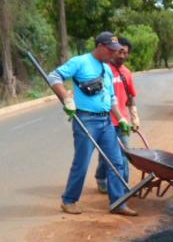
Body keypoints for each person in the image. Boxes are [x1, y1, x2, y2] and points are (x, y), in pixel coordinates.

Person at [47, 31, 137, 217]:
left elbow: (111, 98)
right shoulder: (80, 62)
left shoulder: (106, 68)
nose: (114, 54)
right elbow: (54, 77)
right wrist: (66, 98)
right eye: (111, 50)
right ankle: (69, 201)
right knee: (82, 162)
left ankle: (118, 203)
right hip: (86, 120)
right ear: (100, 47)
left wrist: (120, 117)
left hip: (106, 121)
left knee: (116, 162)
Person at [95, 36, 140, 194]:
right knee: (106, 155)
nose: (122, 55)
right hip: (105, 121)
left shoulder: (127, 73)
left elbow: (131, 97)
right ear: (113, 51)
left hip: (123, 122)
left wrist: (134, 117)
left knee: (125, 153)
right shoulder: (103, 70)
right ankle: (101, 178)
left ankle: (123, 186)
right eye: (119, 51)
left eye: (125, 53)